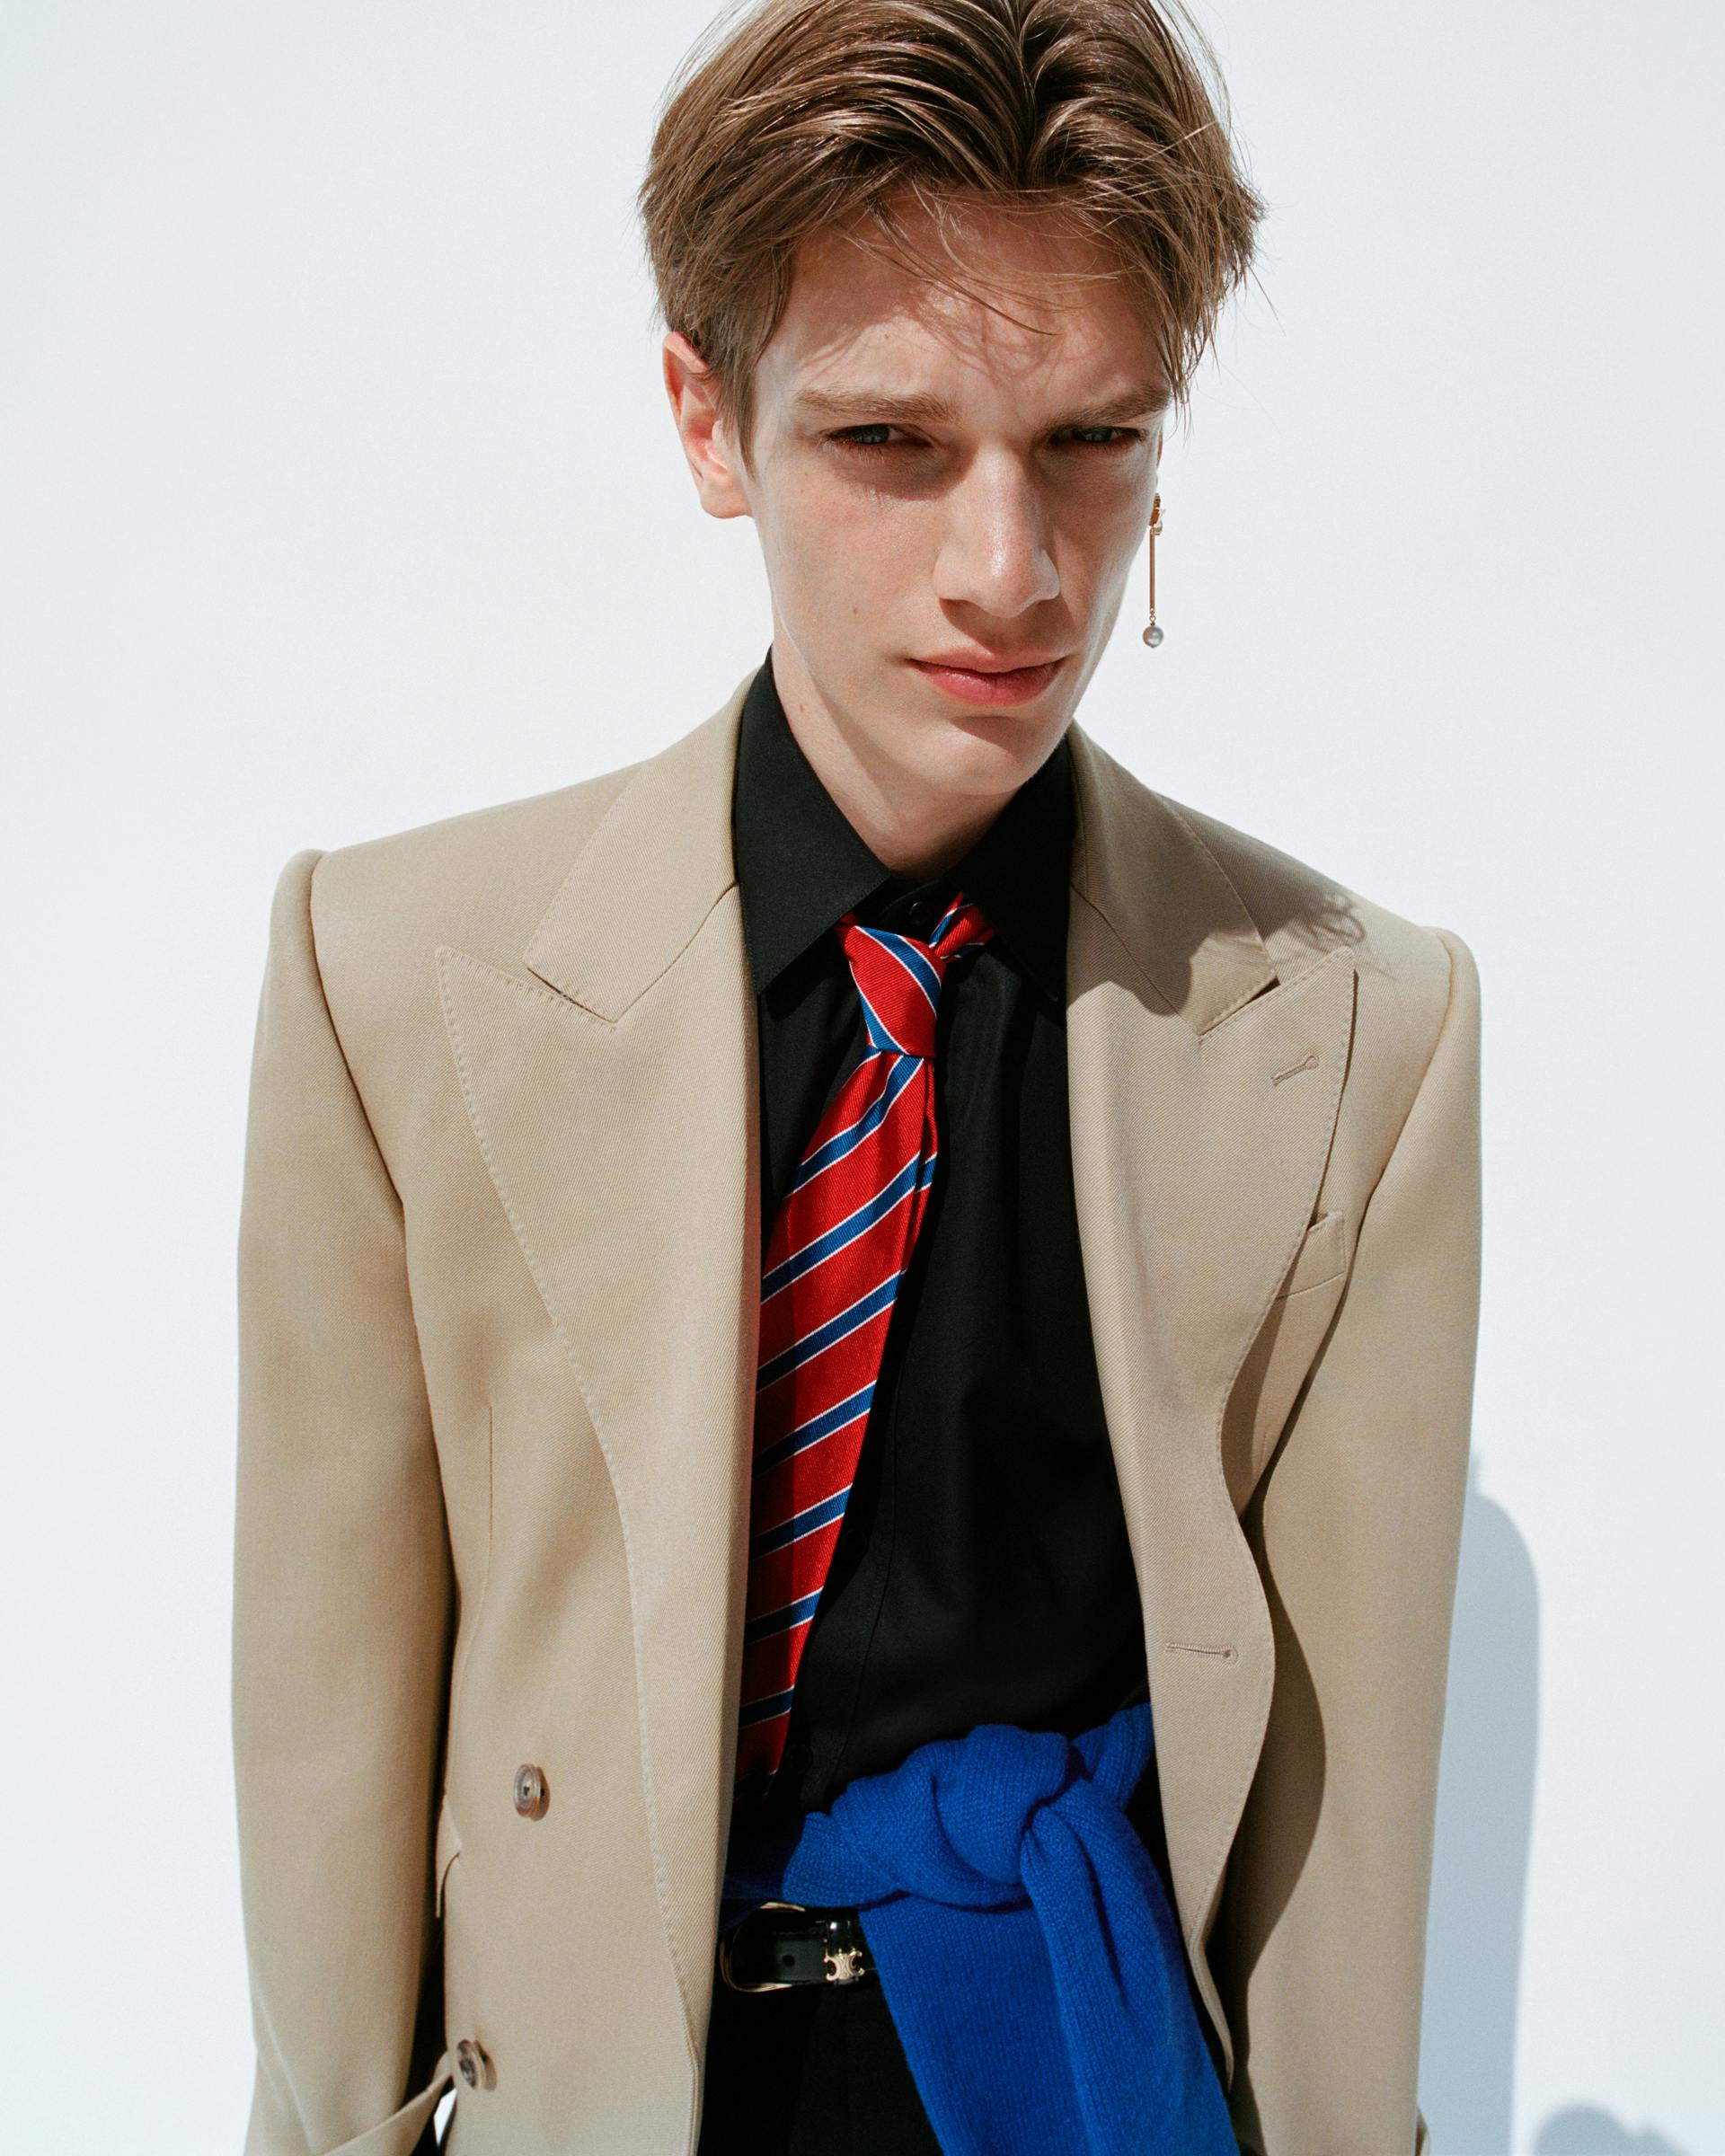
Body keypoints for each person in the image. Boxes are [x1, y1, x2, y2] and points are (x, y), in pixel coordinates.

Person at [229, 1, 1482, 2151]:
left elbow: (1340, 1838)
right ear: (708, 422)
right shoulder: (398, 978)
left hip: (1074, 2079)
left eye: (1092, 438)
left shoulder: (1362, 1031)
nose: (1013, 569)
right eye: (891, 442)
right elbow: (328, 1730)